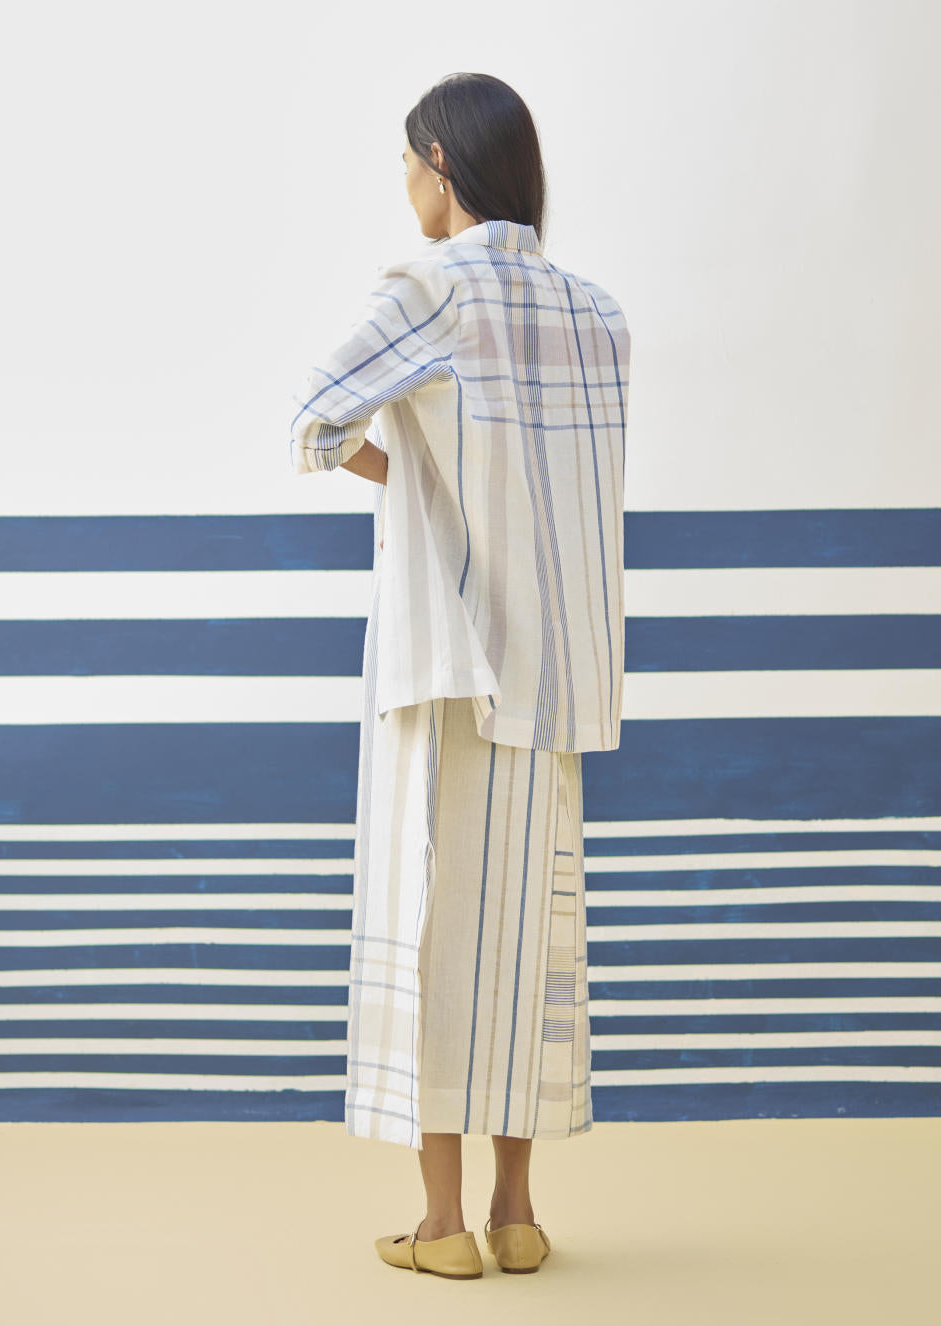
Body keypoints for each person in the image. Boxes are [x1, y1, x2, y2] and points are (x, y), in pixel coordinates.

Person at [290, 71, 630, 1279]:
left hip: (446, 663)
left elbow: (315, 424)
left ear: (440, 163)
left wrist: (422, 490)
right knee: (525, 941)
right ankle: (517, 1214)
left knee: (437, 933)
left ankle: (441, 1229)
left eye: (406, 161)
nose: (403, 184)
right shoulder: (595, 313)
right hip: (557, 673)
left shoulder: (430, 287)